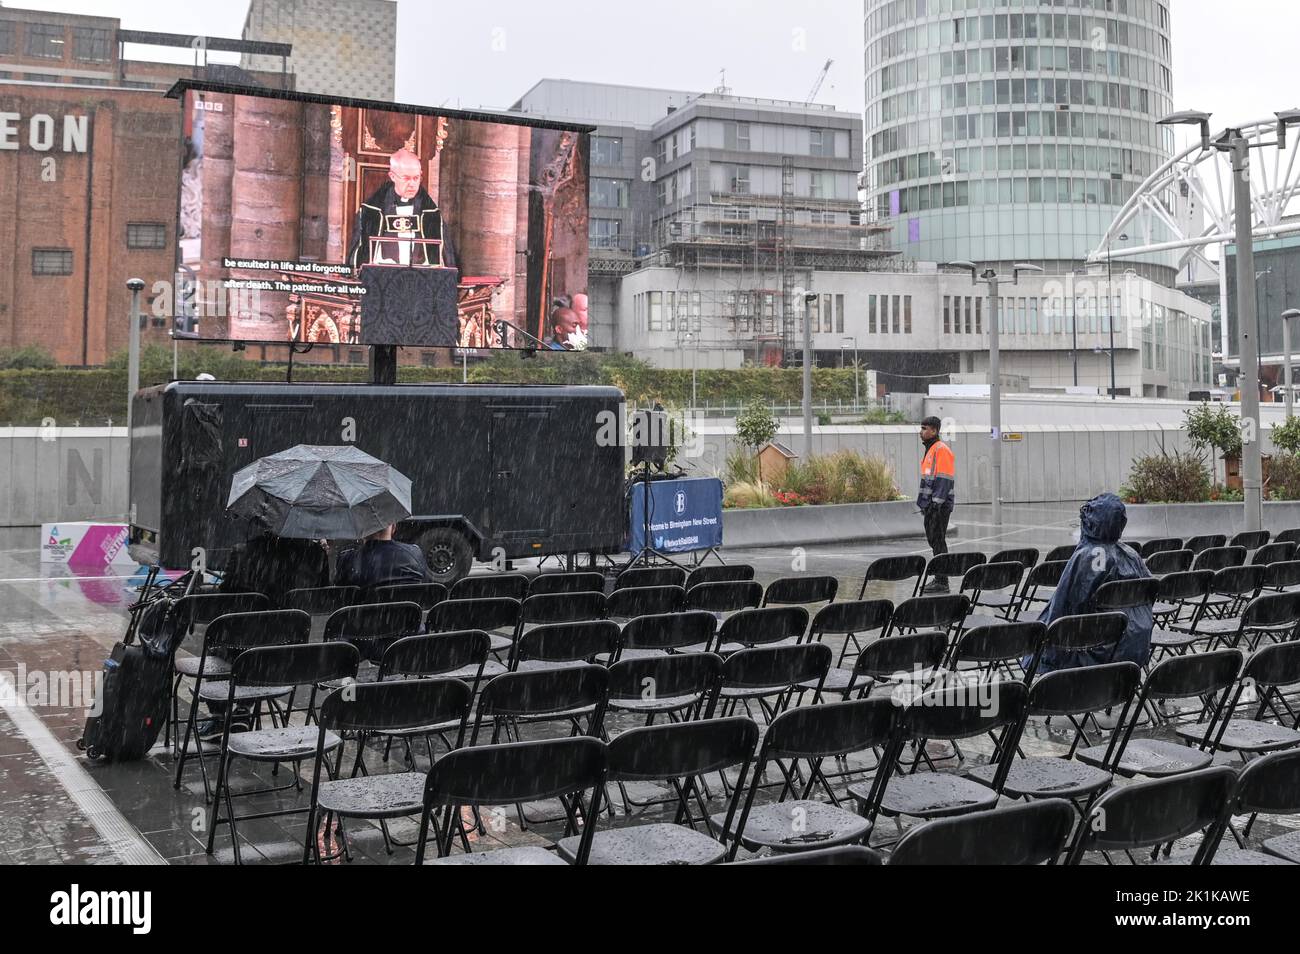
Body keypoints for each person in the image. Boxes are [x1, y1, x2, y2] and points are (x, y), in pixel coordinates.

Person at [1033, 493, 1153, 673]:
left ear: (1090, 522)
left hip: (1098, 646)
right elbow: (1150, 594)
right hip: (1133, 644)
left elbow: (1065, 606)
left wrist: (1047, 652)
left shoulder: (1086, 556)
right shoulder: (1131, 554)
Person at [348, 148, 458, 271]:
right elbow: (357, 260)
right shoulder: (371, 211)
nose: (412, 184)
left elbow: (446, 261)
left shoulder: (431, 213)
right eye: (406, 178)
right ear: (392, 176)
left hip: (420, 280)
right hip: (382, 278)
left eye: (416, 178)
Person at [219, 529, 328, 603]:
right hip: (297, 624)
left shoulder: (241, 552)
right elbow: (323, 592)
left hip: (244, 623)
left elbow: (226, 590)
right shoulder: (316, 553)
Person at [917, 415, 956, 592]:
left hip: (938, 507)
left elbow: (944, 479)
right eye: (921, 428)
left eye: (925, 428)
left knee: (938, 542)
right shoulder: (931, 449)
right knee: (935, 541)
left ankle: (942, 581)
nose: (921, 431)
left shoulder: (941, 449)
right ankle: (940, 579)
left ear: (934, 430)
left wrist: (935, 504)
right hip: (931, 506)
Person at [334, 524, 431, 593]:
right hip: (408, 620)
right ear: (393, 527)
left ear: (359, 530)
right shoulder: (415, 553)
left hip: (365, 620)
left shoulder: (347, 559)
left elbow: (341, 597)